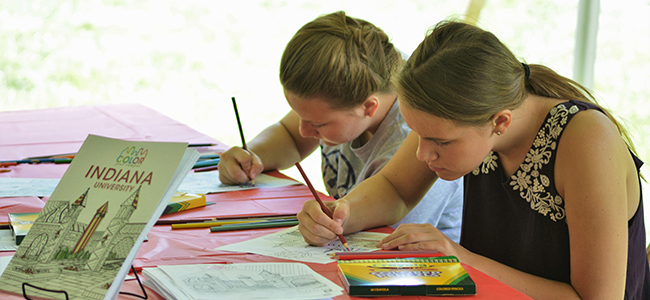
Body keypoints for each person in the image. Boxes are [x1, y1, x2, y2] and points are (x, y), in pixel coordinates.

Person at [297, 20, 650, 299]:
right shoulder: (467, 122)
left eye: (439, 141)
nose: (422, 154)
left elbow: (596, 298)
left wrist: (461, 258)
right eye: (419, 135)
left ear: (499, 122)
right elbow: (396, 188)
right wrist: (342, 214)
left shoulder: (585, 139)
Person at [217, 11, 464, 240]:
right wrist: (251, 155)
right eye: (300, 115)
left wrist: (333, 220)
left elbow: (386, 224)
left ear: (368, 107)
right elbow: (290, 136)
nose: (305, 131)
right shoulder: (354, 87)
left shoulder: (420, 138)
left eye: (317, 124)